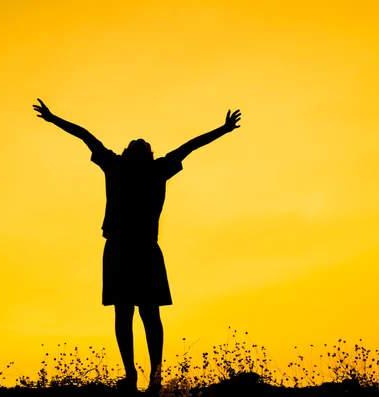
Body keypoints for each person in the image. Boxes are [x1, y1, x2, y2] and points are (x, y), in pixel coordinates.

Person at [33, 99, 241, 394]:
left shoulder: (121, 166)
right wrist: (223, 129)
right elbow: (190, 146)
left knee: (137, 313)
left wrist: (223, 130)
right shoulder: (150, 168)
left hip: (129, 249)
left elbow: (86, 136)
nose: (137, 147)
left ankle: (145, 377)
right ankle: (138, 376)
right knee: (137, 313)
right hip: (133, 249)